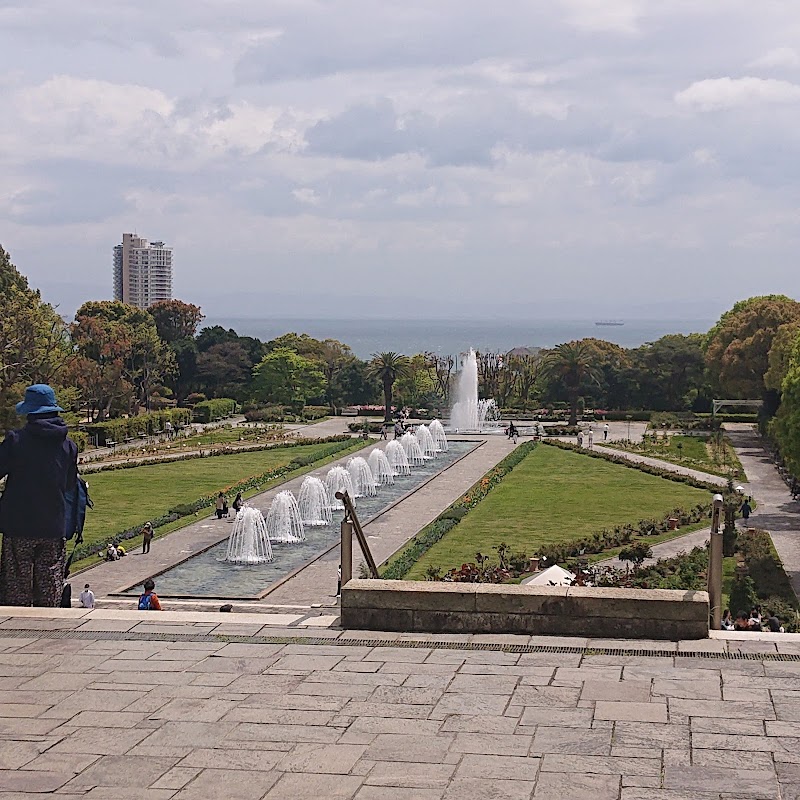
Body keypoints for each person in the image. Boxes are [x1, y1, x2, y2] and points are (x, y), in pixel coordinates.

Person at [0, 384, 78, 607]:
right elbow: (69, 484)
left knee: (16, 590)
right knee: (50, 589)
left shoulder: (16, 441)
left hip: (18, 527)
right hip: (52, 526)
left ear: (30, 413)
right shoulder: (68, 446)